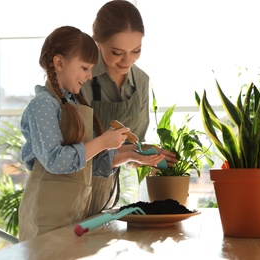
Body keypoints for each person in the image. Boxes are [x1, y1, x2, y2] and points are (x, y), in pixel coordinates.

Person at [18, 25, 163, 241]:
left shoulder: (74, 104)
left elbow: (87, 164)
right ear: (59, 63)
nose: (88, 76)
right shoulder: (43, 105)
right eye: (85, 68)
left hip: (73, 212)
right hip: (46, 216)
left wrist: (131, 155)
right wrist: (104, 142)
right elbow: (55, 161)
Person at [81, 0, 178, 169]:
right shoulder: (80, 77)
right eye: (117, 52)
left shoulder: (141, 81)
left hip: (110, 188)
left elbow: (133, 158)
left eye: (136, 50)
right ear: (97, 41)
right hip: (75, 182)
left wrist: (150, 156)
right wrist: (134, 151)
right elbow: (74, 152)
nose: (128, 61)